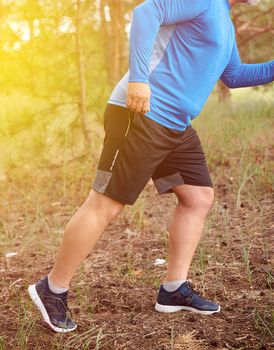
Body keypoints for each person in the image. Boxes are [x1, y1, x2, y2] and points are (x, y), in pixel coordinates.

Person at [28, 0, 273, 332]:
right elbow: (146, 12)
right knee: (106, 203)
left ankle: (174, 289)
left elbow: (234, 75)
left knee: (198, 196)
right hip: (141, 114)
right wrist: (138, 79)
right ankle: (52, 288)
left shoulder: (224, 20)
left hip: (174, 126)